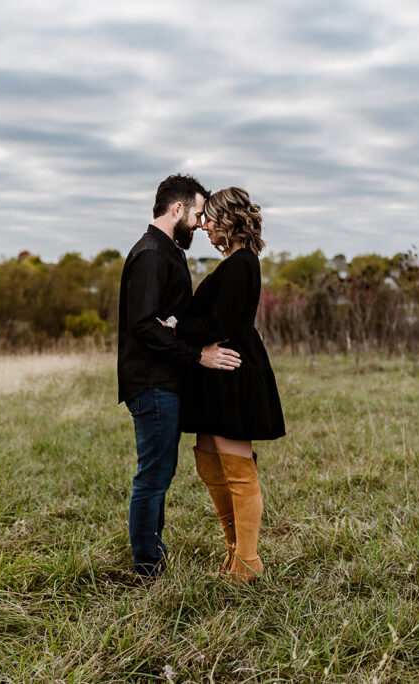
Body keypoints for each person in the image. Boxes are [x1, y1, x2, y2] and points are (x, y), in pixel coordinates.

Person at [117, 173, 242, 578]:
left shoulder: (166, 251)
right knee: (153, 475)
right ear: (177, 210)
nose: (201, 222)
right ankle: (147, 567)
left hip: (164, 380)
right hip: (152, 383)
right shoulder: (152, 254)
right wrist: (197, 355)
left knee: (160, 472)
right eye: (198, 213)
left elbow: (167, 318)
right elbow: (142, 325)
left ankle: (152, 553)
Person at [162, 186, 285, 582]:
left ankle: (247, 562)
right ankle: (233, 551)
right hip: (212, 374)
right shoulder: (233, 261)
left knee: (237, 467)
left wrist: (178, 326)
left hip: (231, 371)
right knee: (209, 456)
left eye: (210, 218)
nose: (205, 226)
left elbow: (221, 324)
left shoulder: (242, 263)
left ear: (229, 219)